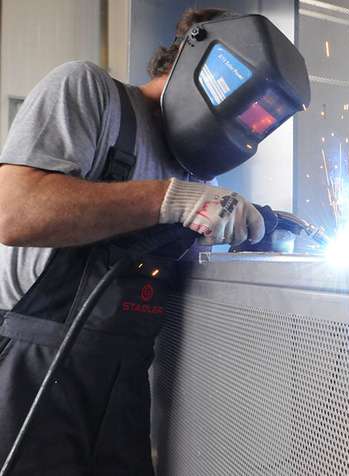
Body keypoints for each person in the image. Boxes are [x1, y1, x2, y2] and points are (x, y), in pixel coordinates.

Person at [0, 7, 310, 474]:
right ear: (193, 59)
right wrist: (170, 199)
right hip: (32, 370)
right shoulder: (89, 92)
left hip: (125, 382)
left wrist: (260, 232)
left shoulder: (192, 168)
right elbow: (15, 212)